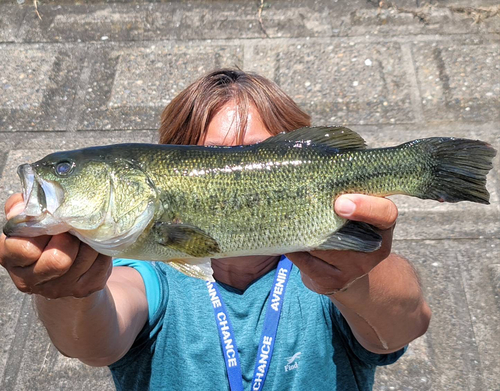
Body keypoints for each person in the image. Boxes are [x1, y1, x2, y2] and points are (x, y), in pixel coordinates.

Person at [0, 69, 431, 390]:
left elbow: (404, 323)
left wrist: (354, 278)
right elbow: (93, 342)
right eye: (213, 156)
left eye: (259, 153)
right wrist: (70, 289)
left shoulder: (332, 270)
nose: (237, 168)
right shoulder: (155, 271)